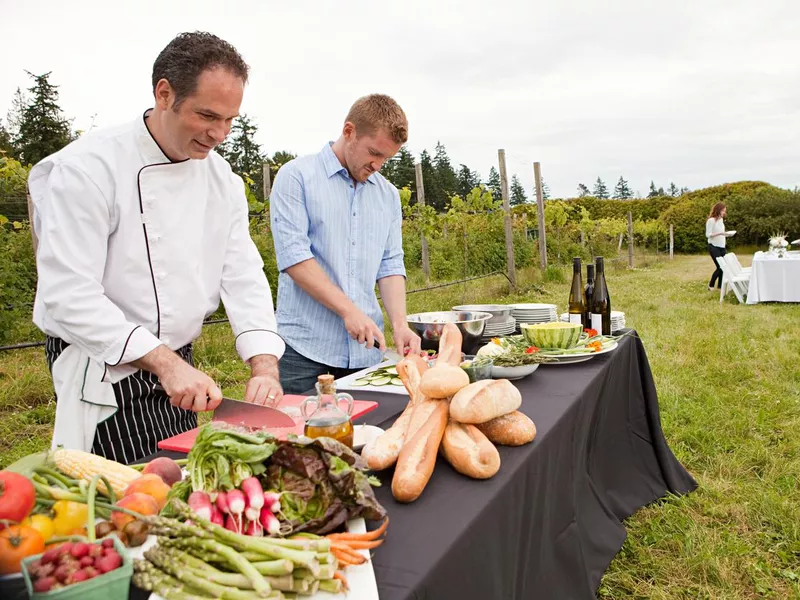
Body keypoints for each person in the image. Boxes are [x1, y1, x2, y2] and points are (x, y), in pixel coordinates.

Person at [28, 32, 285, 464]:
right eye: (207, 115)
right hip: (104, 363)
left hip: (180, 365)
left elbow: (242, 275)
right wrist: (165, 363)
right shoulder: (89, 169)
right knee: (127, 494)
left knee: (178, 476)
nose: (219, 133)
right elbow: (69, 294)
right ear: (164, 93)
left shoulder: (221, 181)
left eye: (230, 120)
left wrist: (264, 364)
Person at [270, 94, 422, 395]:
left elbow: (390, 264)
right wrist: (348, 311)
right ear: (349, 131)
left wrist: (400, 325)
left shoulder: (388, 195)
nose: (378, 165)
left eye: (386, 159)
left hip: (366, 354)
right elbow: (294, 258)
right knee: (300, 440)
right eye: (374, 153)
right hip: (304, 352)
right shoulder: (296, 177)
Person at [706, 201, 731, 290]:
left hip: (722, 247)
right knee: (720, 266)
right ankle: (711, 285)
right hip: (713, 246)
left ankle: (720, 287)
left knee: (724, 267)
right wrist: (720, 233)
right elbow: (708, 234)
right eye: (723, 210)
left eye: (725, 211)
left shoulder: (721, 220)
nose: (724, 212)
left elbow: (721, 233)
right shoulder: (711, 220)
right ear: (718, 210)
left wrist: (726, 234)